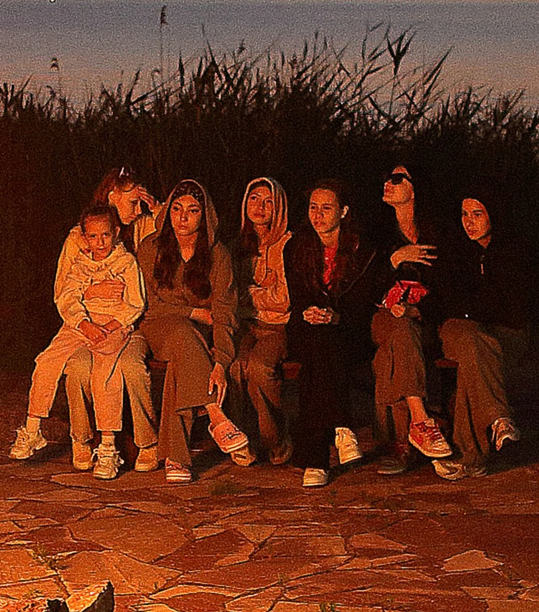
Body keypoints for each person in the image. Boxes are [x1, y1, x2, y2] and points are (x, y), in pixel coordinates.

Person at [10, 204, 149, 475]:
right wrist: (83, 324)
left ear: (115, 232)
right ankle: (32, 428)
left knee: (105, 373)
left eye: (105, 235)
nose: (100, 242)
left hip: (112, 326)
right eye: (93, 237)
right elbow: (67, 297)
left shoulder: (126, 263)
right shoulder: (80, 264)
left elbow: (135, 302)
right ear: (85, 238)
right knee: (47, 361)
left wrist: (109, 327)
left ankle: (107, 447)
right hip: (81, 324)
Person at [137, 180, 239, 484]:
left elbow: (225, 311)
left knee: (179, 366)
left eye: (192, 211)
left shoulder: (218, 254)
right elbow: (148, 306)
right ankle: (215, 413)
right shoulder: (150, 248)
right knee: (183, 333)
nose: (182, 218)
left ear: (204, 215)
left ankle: (176, 458)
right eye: (176, 209)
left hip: (200, 335)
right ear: (168, 211)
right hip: (158, 326)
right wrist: (192, 312)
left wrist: (220, 362)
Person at [285, 180, 381, 489]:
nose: (318, 215)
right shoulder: (296, 247)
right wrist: (308, 312)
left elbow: (363, 303)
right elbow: (298, 297)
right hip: (307, 329)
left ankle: (315, 460)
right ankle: (342, 426)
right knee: (317, 339)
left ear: (344, 211)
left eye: (326, 208)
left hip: (349, 332)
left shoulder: (362, 249)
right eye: (313, 207)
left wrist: (336, 317)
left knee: (318, 359)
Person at [372, 163, 456, 472]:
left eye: (397, 179)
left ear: (415, 187)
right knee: (399, 329)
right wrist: (395, 259)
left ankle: (401, 445)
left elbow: (448, 288)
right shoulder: (378, 233)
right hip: (381, 317)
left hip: (421, 320)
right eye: (386, 178)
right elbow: (365, 286)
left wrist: (417, 309)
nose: (388, 183)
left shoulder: (436, 234)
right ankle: (422, 420)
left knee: (389, 356)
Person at [436, 193, 528, 470]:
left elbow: (513, 303)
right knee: (473, 343)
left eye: (477, 214)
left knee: (474, 361)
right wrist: (473, 308)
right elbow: (449, 299)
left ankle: (472, 460)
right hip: (460, 328)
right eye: (464, 214)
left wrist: (474, 305)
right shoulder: (454, 250)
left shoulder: (512, 251)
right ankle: (499, 418)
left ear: (493, 215)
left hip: (503, 333)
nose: (469, 222)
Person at [232, 177, 294, 464]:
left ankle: (275, 438)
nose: (260, 206)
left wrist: (250, 292)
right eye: (254, 198)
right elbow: (229, 295)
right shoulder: (237, 245)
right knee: (235, 366)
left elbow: (284, 299)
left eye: (268, 201)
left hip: (277, 326)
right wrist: (262, 289)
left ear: (278, 206)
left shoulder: (287, 244)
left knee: (259, 368)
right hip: (245, 325)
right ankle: (242, 439)